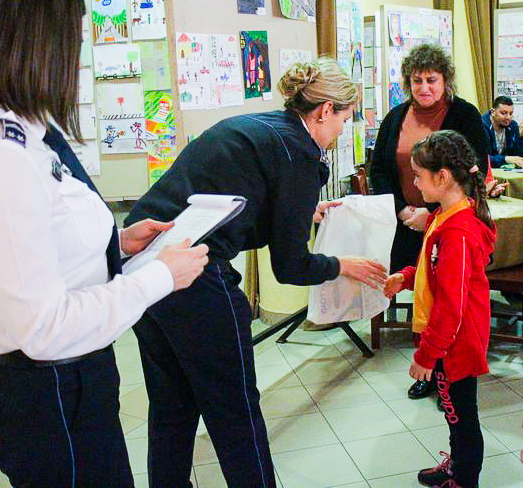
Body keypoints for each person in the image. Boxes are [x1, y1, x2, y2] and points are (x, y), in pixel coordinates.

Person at [0, 0, 209, 487]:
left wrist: (118, 245)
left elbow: (42, 240)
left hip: (68, 380)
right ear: (37, 47)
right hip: (44, 390)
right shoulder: (0, 157)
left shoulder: (23, 130)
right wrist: (159, 278)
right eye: (73, 43)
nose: (77, 62)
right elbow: (44, 328)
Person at [125, 58, 387, 488]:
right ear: (325, 111)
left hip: (141, 261)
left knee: (172, 403)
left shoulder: (263, 127)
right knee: (236, 408)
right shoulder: (300, 152)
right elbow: (290, 267)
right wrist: (343, 265)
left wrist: (299, 211)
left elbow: (245, 198)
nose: (343, 130)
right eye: (345, 118)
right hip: (192, 273)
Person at [370, 43, 490, 401]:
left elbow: (474, 168)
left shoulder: (464, 115)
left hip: (446, 218)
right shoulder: (395, 117)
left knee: (448, 298)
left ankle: (448, 374)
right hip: (405, 222)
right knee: (425, 293)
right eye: (417, 80)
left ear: (445, 80)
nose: (424, 87)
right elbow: (380, 171)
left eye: (431, 80)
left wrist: (434, 214)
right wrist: (404, 211)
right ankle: (431, 369)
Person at [383, 130, 495, 488]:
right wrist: (405, 276)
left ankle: (464, 480)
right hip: (447, 341)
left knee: (462, 418)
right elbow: (431, 268)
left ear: (443, 177)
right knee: (453, 413)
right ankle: (456, 467)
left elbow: (451, 307)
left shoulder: (458, 232)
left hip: (456, 345)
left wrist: (427, 356)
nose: (414, 183)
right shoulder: (441, 217)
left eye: (418, 176)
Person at [482, 95, 523, 168]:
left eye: (511, 113)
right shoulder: (481, 125)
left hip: (505, 171)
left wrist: (521, 137)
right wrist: (505, 159)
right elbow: (482, 158)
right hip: (485, 171)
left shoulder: (513, 125)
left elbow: (520, 158)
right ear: (493, 112)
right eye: (503, 113)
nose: (508, 117)